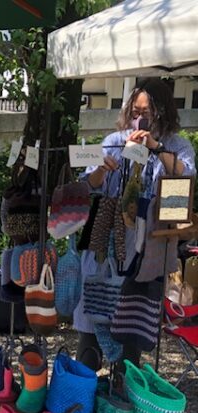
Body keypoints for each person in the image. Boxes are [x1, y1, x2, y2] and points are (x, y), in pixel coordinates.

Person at [74, 78, 196, 373]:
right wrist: (101, 170)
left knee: (131, 329)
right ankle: (83, 389)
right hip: (107, 243)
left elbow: (188, 180)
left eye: (148, 111)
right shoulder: (114, 141)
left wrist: (155, 148)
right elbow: (86, 186)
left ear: (163, 112)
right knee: (91, 318)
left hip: (146, 250)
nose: (139, 117)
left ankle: (123, 400)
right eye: (135, 110)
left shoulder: (177, 145)